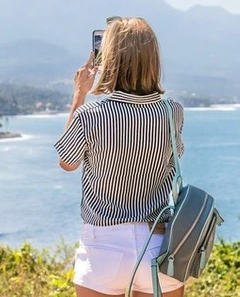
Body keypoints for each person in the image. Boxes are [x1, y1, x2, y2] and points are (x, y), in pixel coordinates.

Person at [55, 17, 185, 297]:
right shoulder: (172, 112)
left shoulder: (92, 116)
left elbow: (67, 161)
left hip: (104, 247)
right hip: (159, 243)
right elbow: (174, 160)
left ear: (110, 59)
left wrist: (79, 95)